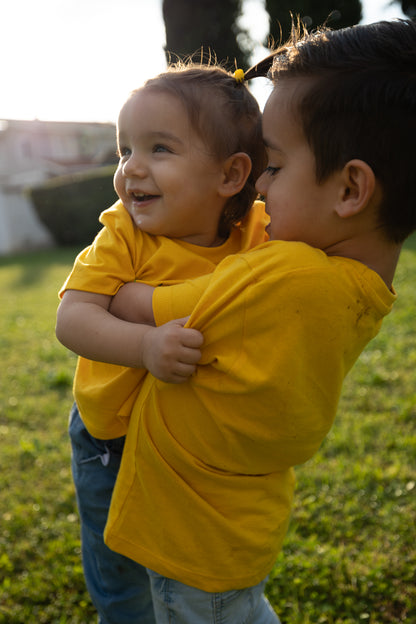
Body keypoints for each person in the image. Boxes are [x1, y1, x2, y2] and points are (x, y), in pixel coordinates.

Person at [101, 19, 416, 623]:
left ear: (351, 188)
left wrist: (119, 280)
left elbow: (129, 303)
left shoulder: (288, 274)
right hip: (237, 520)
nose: (262, 192)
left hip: (192, 531)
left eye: (273, 167)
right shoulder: (361, 284)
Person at [55, 64, 269, 623]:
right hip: (113, 438)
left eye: (159, 149)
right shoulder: (123, 232)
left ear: (231, 175)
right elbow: (73, 318)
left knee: (181, 555)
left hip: (188, 441)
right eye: (125, 150)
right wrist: (146, 346)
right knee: (119, 565)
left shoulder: (257, 229)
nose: (132, 170)